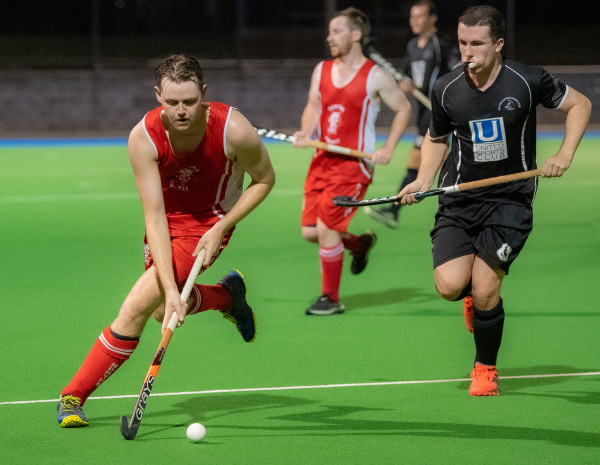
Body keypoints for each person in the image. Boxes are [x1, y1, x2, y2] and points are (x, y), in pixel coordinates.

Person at [56, 54, 276, 427]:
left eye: (190, 101)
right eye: (172, 102)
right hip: (166, 223)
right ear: (158, 95)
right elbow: (155, 215)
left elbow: (265, 179)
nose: (181, 111)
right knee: (163, 307)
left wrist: (223, 226)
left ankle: (73, 395)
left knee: (136, 306)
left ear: (204, 92)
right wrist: (171, 290)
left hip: (208, 223)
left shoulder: (234, 130)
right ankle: (227, 296)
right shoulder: (143, 138)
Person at [398, 6, 591, 395]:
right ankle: (472, 298)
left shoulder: (527, 80)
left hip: (509, 202)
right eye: (462, 43)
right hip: (458, 200)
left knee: (487, 288)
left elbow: (580, 105)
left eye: (477, 44)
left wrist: (564, 154)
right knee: (450, 286)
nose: (467, 52)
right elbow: (436, 137)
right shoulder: (447, 87)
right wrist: (422, 179)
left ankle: (484, 367)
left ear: (498, 44)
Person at [293, 7, 412, 315]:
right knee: (311, 231)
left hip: (353, 167)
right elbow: (313, 106)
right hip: (322, 161)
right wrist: (305, 131)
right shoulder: (321, 69)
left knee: (327, 228)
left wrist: (388, 147)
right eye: (329, 32)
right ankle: (359, 245)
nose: (329, 37)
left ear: (356, 34)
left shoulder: (375, 76)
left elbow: (403, 108)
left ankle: (330, 299)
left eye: (336, 31)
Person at [365, 0, 460, 229]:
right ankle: (395, 211)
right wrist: (404, 84)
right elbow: (404, 74)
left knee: (428, 161)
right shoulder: (412, 46)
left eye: (420, 16)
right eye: (412, 16)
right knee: (423, 163)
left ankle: (396, 209)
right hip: (423, 114)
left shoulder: (441, 44)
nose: (414, 21)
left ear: (432, 18)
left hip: (440, 113)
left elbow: (458, 72)